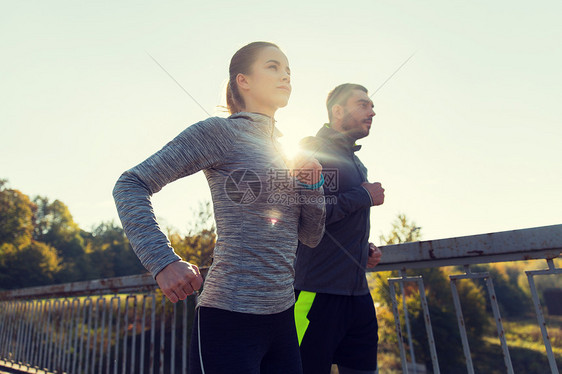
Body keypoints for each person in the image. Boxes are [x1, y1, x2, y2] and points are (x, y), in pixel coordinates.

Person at [113, 41, 326, 374]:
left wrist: (313, 187)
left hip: (283, 316)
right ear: (244, 81)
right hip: (230, 315)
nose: (285, 75)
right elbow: (130, 184)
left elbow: (310, 236)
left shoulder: (288, 154)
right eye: (273, 66)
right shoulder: (220, 132)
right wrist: (162, 261)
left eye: (288, 70)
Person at [293, 83, 385, 374]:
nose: (372, 111)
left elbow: (339, 221)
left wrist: (362, 249)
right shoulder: (314, 152)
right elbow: (308, 214)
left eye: (371, 106)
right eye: (363, 104)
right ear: (337, 111)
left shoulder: (355, 162)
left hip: (358, 296)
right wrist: (364, 196)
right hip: (314, 294)